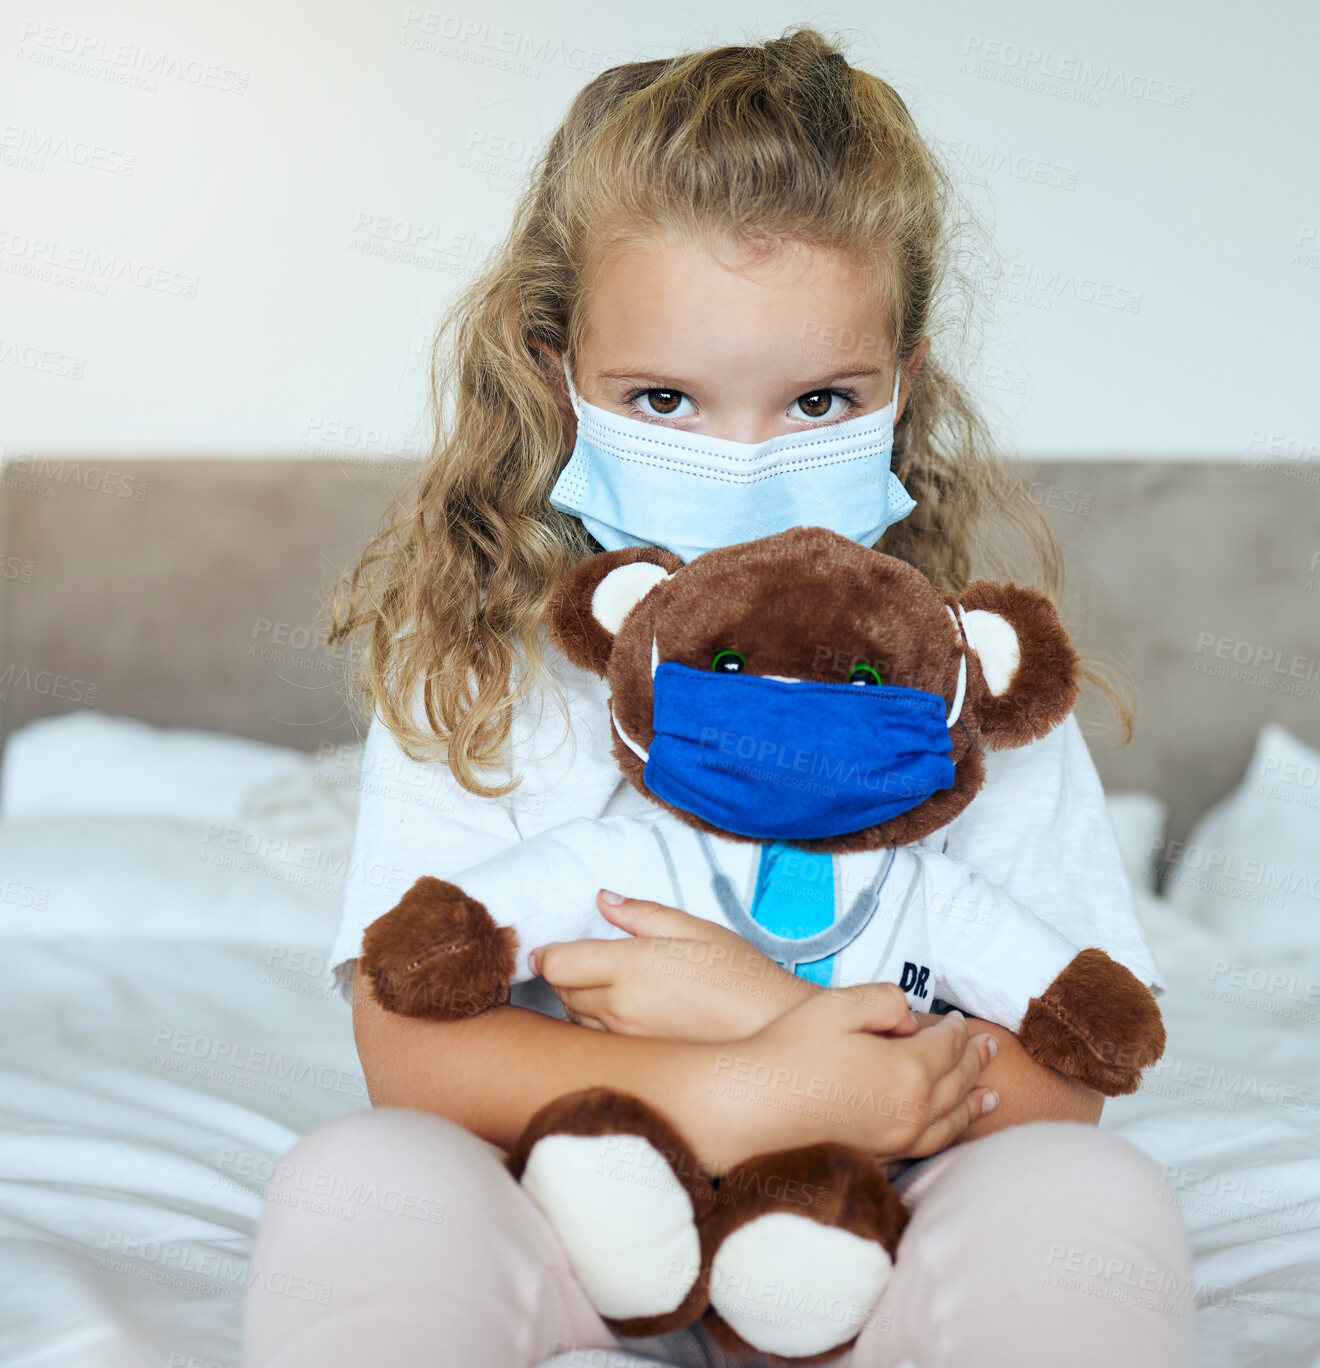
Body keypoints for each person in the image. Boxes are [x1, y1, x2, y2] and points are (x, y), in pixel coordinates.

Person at [243, 26, 1193, 1368]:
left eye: (816, 400)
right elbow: (413, 1053)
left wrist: (759, 1009)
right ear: (558, 375)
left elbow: (1059, 1081)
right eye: (666, 398)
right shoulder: (482, 671)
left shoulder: (952, 686)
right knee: (359, 1176)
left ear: (900, 387)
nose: (742, 461)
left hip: (893, 1211)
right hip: (573, 1203)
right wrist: (740, 1084)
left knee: (1095, 1201)